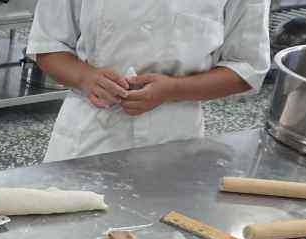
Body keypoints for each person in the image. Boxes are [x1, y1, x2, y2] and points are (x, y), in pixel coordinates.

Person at [28, 0, 272, 162]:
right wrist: (86, 78)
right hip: (88, 135)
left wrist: (173, 90)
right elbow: (48, 45)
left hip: (174, 140)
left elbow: (246, 68)